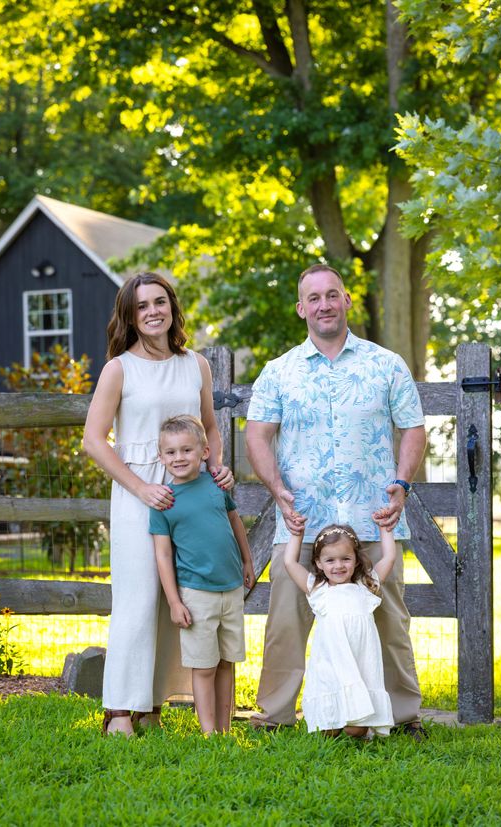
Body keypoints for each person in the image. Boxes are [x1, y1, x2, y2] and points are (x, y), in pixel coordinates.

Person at [246, 263, 427, 738]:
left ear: (346, 300)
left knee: (388, 622)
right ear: (301, 308)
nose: (324, 305)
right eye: (314, 298)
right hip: (301, 522)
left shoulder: (386, 364)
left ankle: (402, 715)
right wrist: (277, 490)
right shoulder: (278, 372)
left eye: (332, 295)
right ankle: (276, 715)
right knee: (286, 624)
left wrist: (402, 483)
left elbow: (413, 428)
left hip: (373, 518)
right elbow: (257, 436)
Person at [83, 272, 233, 736]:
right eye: (142, 305)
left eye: (160, 301)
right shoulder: (119, 369)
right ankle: (119, 711)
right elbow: (93, 440)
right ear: (130, 316)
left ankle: (152, 702)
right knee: (138, 596)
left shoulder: (196, 365)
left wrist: (215, 468)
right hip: (139, 492)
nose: (153, 311)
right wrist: (141, 488)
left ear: (172, 307)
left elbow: (210, 427)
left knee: (180, 594)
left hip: (190, 493)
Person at [150, 415, 256, 734]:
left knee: (226, 663)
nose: (179, 457)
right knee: (205, 666)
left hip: (231, 589)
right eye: (171, 452)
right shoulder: (164, 501)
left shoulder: (216, 486)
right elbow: (163, 555)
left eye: (187, 450)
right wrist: (174, 602)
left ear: (204, 452)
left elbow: (235, 523)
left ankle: (224, 731)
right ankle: (209, 733)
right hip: (196, 594)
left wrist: (247, 561)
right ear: (161, 457)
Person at [284, 517, 395, 738]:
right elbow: (289, 563)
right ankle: (332, 722)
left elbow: (389, 557)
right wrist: (297, 534)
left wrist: (385, 529)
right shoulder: (318, 589)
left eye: (345, 559)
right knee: (328, 728)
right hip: (331, 662)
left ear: (356, 560)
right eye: (330, 560)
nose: (338, 566)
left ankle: (361, 725)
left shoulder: (366, 586)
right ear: (318, 563)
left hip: (360, 661)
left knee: (356, 728)